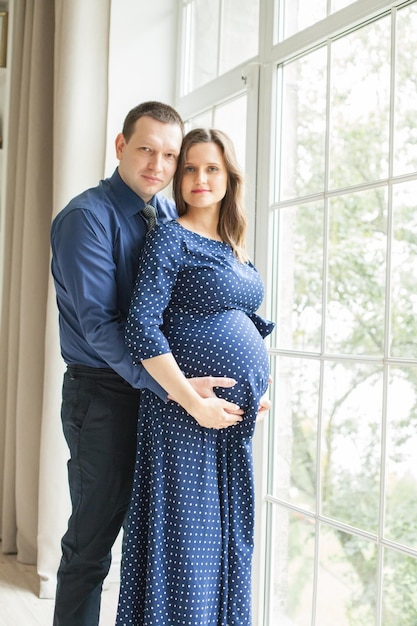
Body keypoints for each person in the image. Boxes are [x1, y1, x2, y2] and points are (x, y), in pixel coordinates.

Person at [50, 103, 246, 626]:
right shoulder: (84, 219)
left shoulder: (164, 216)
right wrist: (177, 390)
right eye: (145, 149)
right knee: (92, 543)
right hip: (104, 396)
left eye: (169, 155)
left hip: (165, 396)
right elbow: (103, 328)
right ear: (120, 146)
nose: (158, 165)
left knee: (161, 541)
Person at [116, 128, 275, 625]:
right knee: (188, 550)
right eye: (189, 168)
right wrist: (192, 401)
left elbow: (244, 324)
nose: (199, 179)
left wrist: (258, 387)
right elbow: (141, 328)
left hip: (230, 420)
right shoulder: (171, 236)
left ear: (230, 179)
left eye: (211, 169)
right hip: (184, 415)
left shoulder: (234, 247)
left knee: (229, 542)